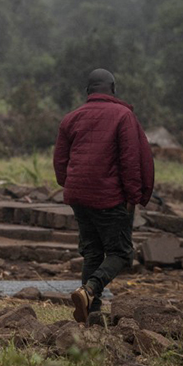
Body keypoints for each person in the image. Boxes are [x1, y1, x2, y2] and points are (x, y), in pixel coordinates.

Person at [54, 69, 154, 324]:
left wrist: (72, 185)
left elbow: (60, 162)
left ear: (88, 91)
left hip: (78, 196)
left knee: (92, 253)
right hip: (109, 198)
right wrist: (134, 197)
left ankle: (92, 312)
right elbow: (131, 160)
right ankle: (90, 289)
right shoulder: (123, 116)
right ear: (113, 89)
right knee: (121, 253)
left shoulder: (71, 118)